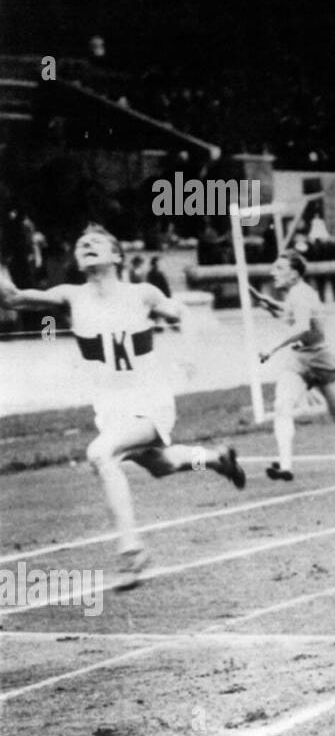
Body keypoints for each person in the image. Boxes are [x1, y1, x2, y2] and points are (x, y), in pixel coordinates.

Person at [0, 224, 246, 589]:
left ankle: (132, 550)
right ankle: (216, 458)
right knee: (161, 464)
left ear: (117, 256)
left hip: (150, 399)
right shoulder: (69, 295)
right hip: (111, 408)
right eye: (81, 244)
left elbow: (182, 313)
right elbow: (12, 299)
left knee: (100, 453)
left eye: (96, 242)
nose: (86, 245)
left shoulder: (141, 293)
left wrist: (189, 348)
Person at [251, 252, 335, 481]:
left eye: (279, 268)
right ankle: (285, 466)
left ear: (294, 273)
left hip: (322, 359)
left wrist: (272, 347)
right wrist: (269, 303)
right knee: (282, 405)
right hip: (298, 360)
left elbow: (301, 326)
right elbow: (290, 314)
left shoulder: (303, 294)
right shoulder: (295, 294)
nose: (273, 273)